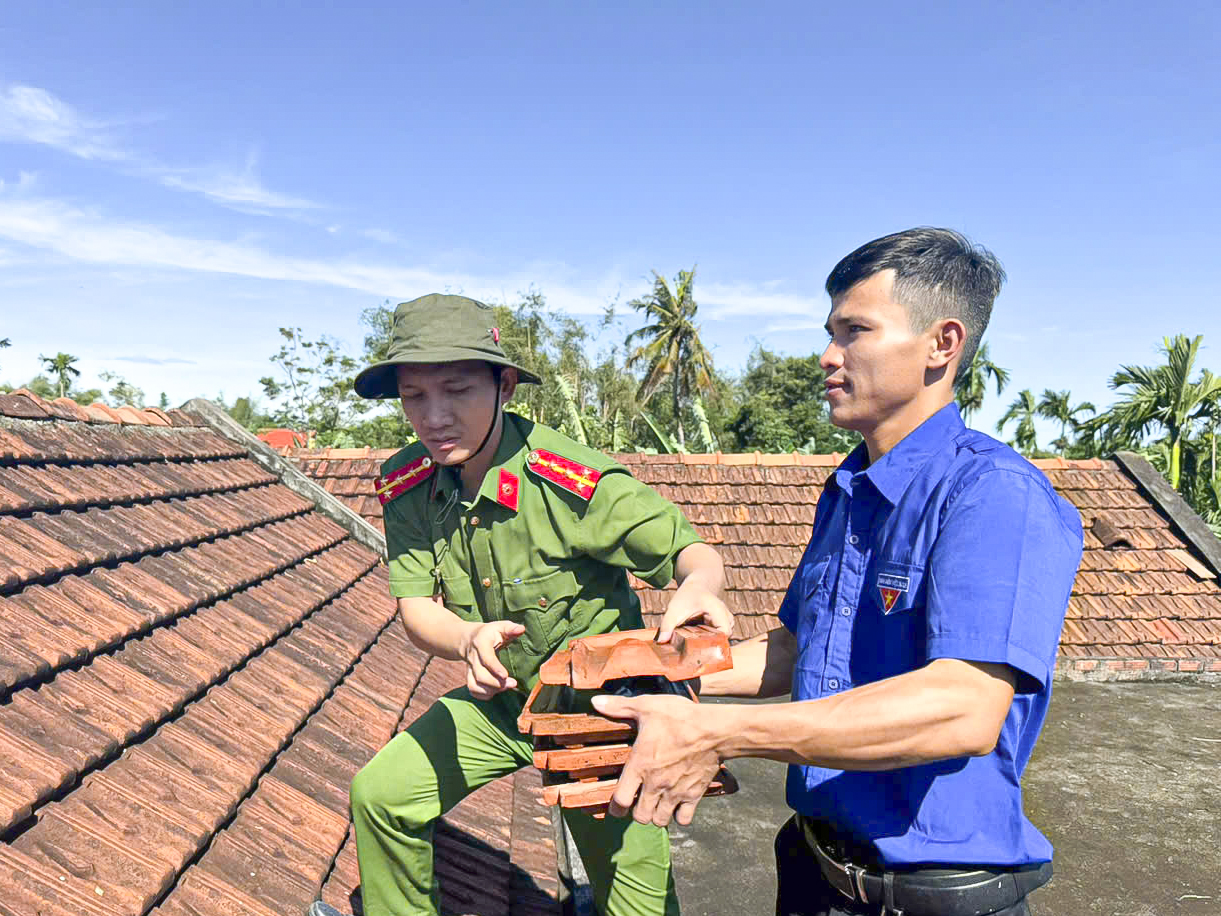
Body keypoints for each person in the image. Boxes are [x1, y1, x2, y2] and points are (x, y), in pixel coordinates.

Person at [593, 229, 1084, 916]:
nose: (828, 356)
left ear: (941, 344)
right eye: (830, 333)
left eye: (855, 331)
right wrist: (645, 669)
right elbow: (800, 649)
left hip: (930, 893)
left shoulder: (993, 493)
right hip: (814, 867)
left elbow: (964, 706)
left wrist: (717, 732)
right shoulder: (851, 489)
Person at [307, 293, 731, 916]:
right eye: (414, 396)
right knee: (382, 796)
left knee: (633, 900)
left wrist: (696, 588)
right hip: (503, 704)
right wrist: (466, 639)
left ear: (503, 385)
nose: (434, 417)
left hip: (600, 718)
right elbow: (417, 609)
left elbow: (694, 556)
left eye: (456, 390)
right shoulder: (409, 484)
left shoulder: (572, 482)